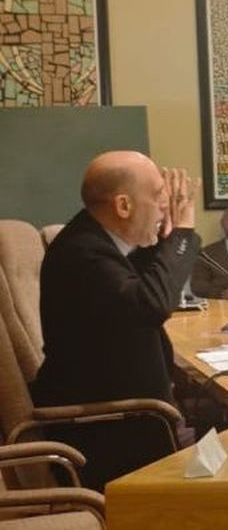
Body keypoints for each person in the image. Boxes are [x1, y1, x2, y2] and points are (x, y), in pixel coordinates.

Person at [32, 153, 198, 488]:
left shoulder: (96, 240)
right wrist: (182, 235)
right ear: (123, 206)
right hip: (110, 432)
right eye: (157, 195)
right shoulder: (82, 253)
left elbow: (135, 286)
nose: (165, 205)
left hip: (132, 413)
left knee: (223, 419)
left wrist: (164, 239)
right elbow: (149, 304)